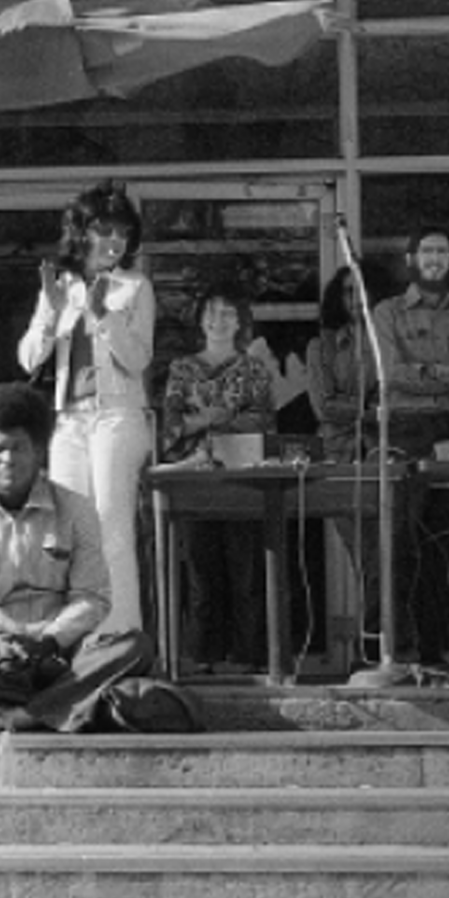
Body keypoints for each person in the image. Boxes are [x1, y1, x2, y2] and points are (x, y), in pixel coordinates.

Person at [0, 382, 154, 733]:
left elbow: (92, 597)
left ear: (38, 450)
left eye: (18, 447)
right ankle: (66, 707)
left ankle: (13, 717)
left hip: (61, 656)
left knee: (134, 647)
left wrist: (49, 640)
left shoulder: (77, 510)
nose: (8, 459)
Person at [15, 181, 155, 639]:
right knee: (69, 528)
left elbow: (138, 360)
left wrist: (106, 316)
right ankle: (74, 635)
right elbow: (28, 359)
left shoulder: (136, 287)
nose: (115, 242)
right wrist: (54, 314)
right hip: (72, 420)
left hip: (118, 416)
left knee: (112, 524)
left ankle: (120, 636)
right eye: (105, 231)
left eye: (123, 233)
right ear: (83, 233)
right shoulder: (61, 286)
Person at [157, 282, 277, 672]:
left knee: (247, 572)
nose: (218, 320)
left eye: (227, 312)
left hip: (244, 478)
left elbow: (263, 420)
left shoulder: (254, 368)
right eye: (211, 312)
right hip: (194, 479)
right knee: (200, 574)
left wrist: (208, 418)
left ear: (240, 321)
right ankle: (201, 659)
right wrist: (222, 417)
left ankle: (250, 659)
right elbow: (171, 425)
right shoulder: (182, 368)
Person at [371, 228, 449, 457]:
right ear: (410, 259)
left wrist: (430, 372)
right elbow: (390, 373)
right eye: (427, 251)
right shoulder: (387, 313)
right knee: (407, 493)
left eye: (442, 251)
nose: (435, 259)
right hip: (406, 427)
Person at [306, 259, 383, 462]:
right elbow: (324, 407)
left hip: (380, 449)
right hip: (334, 451)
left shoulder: (389, 344)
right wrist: (369, 412)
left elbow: (396, 400)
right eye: (349, 291)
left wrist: (349, 407)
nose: (356, 298)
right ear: (338, 297)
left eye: (362, 290)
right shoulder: (321, 346)